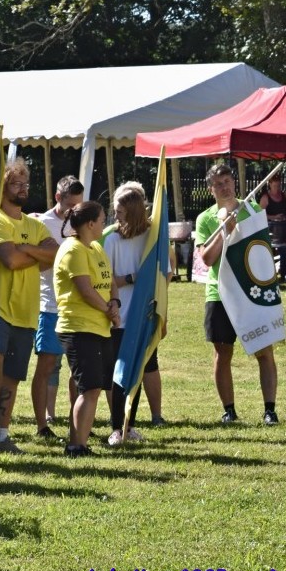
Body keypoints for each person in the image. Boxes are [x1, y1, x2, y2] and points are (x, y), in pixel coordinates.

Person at [0, 158, 57, 453]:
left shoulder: (34, 224)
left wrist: (26, 249)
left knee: (13, 373)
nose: (23, 189)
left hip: (26, 310)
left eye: (26, 183)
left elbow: (56, 254)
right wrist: (35, 254)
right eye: (16, 183)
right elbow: (10, 260)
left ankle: (1, 432)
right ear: (2, 187)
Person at [195, 164, 279, 426]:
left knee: (264, 350)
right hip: (220, 294)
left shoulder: (252, 209)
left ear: (234, 182)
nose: (224, 186)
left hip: (252, 291)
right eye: (218, 184)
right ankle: (229, 411)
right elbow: (207, 258)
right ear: (211, 189)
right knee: (223, 352)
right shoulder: (206, 218)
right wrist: (224, 230)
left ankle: (270, 410)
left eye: (227, 180)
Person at [103, 183, 169, 445]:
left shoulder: (152, 238)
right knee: (119, 374)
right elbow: (108, 280)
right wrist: (133, 278)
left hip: (144, 316)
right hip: (120, 318)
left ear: (133, 211)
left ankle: (129, 426)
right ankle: (116, 426)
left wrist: (163, 314)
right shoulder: (112, 240)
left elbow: (165, 275)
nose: (116, 215)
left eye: (120, 211)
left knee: (137, 372)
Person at [53, 201, 119, 457]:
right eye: (102, 218)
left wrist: (115, 303)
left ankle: (78, 441)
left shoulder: (96, 247)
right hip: (78, 327)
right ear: (90, 223)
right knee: (89, 387)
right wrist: (108, 310)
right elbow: (85, 289)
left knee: (92, 387)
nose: (105, 222)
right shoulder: (72, 249)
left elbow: (110, 282)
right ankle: (76, 446)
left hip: (99, 327)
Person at [31, 176, 84, 442]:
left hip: (78, 307)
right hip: (50, 305)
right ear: (57, 198)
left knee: (77, 368)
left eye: (78, 204)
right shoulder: (43, 224)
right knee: (47, 365)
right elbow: (37, 265)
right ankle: (42, 425)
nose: (74, 210)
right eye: (69, 204)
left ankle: (79, 423)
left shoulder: (84, 220)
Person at [259, 172, 286, 283]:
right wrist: (274, 217)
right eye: (275, 185)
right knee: (269, 252)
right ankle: (268, 275)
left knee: (285, 252)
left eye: (278, 185)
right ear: (270, 184)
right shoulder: (265, 197)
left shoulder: (283, 195)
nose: (277, 187)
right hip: (270, 229)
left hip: (283, 228)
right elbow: (260, 214)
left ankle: (283, 275)